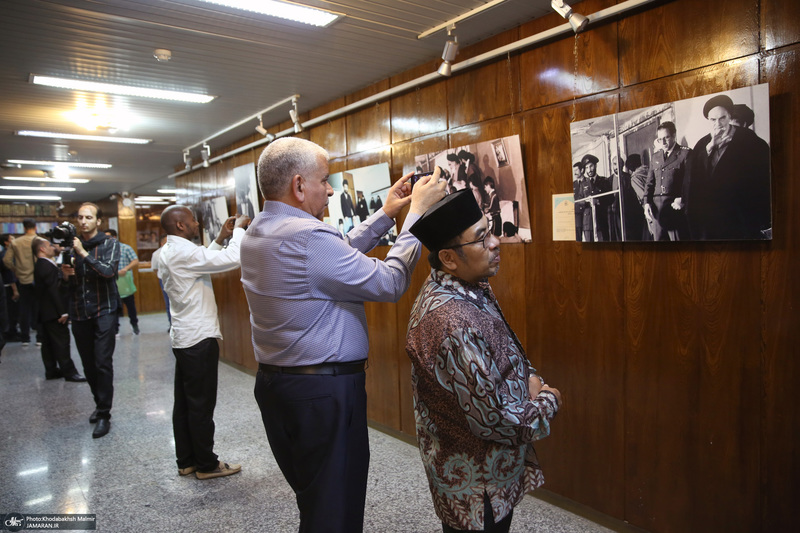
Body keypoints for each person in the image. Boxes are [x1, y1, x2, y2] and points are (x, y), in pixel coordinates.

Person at [240, 137, 446, 533]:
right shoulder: (308, 237)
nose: (331, 188)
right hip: (322, 395)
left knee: (317, 502)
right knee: (335, 514)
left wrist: (387, 214)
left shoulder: (260, 230)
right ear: (299, 186)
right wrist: (416, 216)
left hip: (279, 387)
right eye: (324, 179)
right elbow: (388, 283)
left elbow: (337, 254)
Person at [405, 190, 561, 533]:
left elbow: (506, 345)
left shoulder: (467, 285)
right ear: (448, 257)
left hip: (489, 469)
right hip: (476, 483)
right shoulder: (451, 320)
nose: (495, 243)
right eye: (481, 238)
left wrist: (528, 375)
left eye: (490, 230)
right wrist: (548, 399)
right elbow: (496, 420)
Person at [159, 205, 249, 480]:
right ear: (180, 226)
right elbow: (234, 258)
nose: (198, 224)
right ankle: (207, 464)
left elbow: (203, 260)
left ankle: (187, 460)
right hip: (199, 338)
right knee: (201, 404)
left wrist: (221, 238)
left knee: (185, 403)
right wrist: (242, 229)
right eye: (192, 221)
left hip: (185, 337)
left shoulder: (170, 251)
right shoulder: (183, 252)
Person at [62, 203, 120, 439]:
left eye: (89, 217)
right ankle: (99, 403)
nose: (83, 221)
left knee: (102, 362)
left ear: (98, 221)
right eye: (80, 217)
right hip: (79, 312)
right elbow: (67, 285)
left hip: (104, 310)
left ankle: (105, 414)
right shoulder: (69, 248)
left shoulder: (110, 244)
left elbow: (108, 272)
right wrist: (65, 276)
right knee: (88, 364)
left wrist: (83, 254)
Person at [686, 94, 772, 240]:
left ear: (730, 116)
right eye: (713, 119)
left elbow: (762, 180)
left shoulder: (750, 140)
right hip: (711, 219)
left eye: (722, 118)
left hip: (741, 217)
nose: (718, 124)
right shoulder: (703, 144)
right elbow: (692, 178)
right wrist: (710, 148)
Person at [32, 237, 85, 382]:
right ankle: (69, 372)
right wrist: (63, 311)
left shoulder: (42, 265)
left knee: (48, 342)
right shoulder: (46, 266)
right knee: (62, 341)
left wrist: (65, 278)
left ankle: (51, 370)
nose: (53, 246)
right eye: (49, 245)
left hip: (46, 311)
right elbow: (53, 290)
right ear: (42, 249)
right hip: (54, 311)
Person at [643, 121, 691, 241]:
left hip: (674, 206)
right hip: (656, 207)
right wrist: (646, 203)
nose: (663, 142)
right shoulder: (655, 157)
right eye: (660, 139)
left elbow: (690, 182)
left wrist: (683, 200)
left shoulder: (685, 154)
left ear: (674, 135)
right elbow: (650, 183)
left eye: (666, 137)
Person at [3, 218, 40, 345]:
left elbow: (7, 260)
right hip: (38, 278)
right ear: (36, 227)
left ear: (24, 228)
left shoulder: (16, 242)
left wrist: (16, 270)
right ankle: (40, 337)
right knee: (38, 307)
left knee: (24, 309)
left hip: (23, 279)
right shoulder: (41, 241)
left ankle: (25, 338)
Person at [104, 229, 140, 335]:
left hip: (125, 282)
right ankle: (115, 329)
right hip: (111, 283)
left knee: (130, 306)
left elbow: (135, 261)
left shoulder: (125, 248)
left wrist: (126, 268)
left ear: (115, 237)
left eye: (108, 237)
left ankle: (134, 325)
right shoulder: (105, 250)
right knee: (114, 308)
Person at [0, 234, 20, 341]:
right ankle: (10, 333)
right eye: (11, 239)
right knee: (11, 311)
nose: (14, 240)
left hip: (9, 285)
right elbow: (9, 275)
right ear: (6, 242)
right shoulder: (5, 255)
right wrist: (15, 289)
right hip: (8, 287)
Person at [150, 234, 171, 326]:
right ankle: (171, 325)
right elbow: (155, 269)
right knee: (168, 304)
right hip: (164, 281)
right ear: (162, 243)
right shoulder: (156, 254)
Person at [572, 161, 585, 241]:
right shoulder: (572, 185)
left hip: (587, 214)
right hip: (577, 216)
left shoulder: (588, 182)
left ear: (582, 170)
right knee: (578, 239)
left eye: (576, 170)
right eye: (574, 171)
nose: (575, 173)